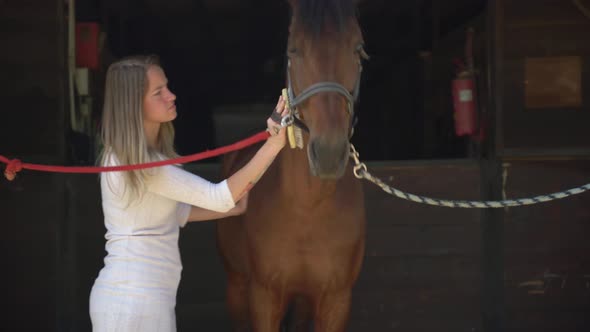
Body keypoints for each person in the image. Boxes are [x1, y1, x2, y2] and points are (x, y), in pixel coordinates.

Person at [89, 55, 288, 331]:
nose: (171, 96)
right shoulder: (140, 163)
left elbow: (179, 212)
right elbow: (219, 198)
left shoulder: (136, 158)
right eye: (159, 92)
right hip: (134, 302)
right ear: (134, 105)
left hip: (141, 299)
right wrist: (273, 145)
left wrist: (238, 202)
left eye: (166, 87)